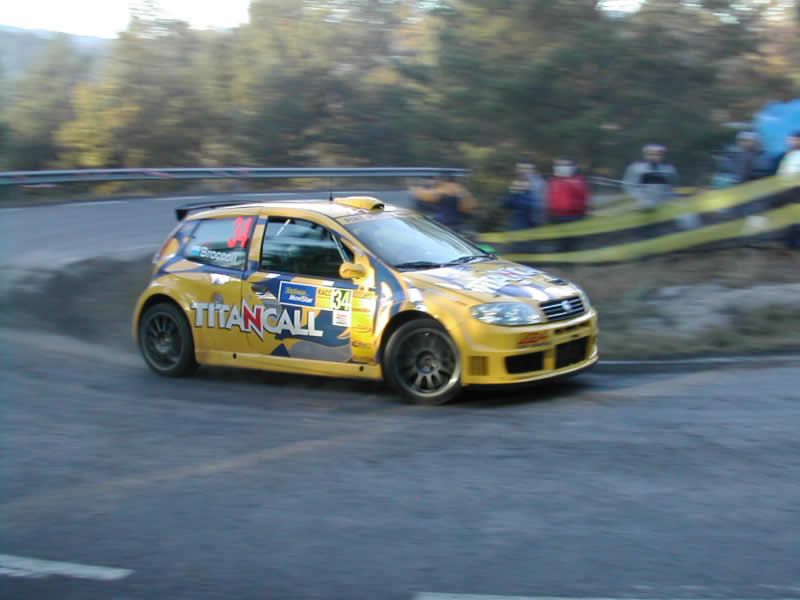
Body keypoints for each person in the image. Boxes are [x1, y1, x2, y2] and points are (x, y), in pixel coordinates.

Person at [409, 174, 477, 232]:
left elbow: (425, 196)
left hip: (445, 224)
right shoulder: (461, 190)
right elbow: (471, 207)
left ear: (445, 180)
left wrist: (415, 189)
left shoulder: (444, 189)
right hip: (459, 224)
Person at [623, 144, 679, 209]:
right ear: (645, 155)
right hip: (641, 205)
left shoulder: (669, 170)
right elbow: (628, 187)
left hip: (665, 204)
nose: (654, 157)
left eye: (657, 155)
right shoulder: (635, 169)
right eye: (651, 154)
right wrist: (640, 200)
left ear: (662, 156)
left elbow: (673, 185)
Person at [503, 163, 544, 230]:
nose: (523, 171)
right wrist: (513, 193)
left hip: (532, 224)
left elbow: (536, 205)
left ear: (531, 170)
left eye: (526, 169)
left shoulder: (538, 184)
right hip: (516, 224)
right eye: (520, 169)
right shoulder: (515, 184)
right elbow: (506, 204)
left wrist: (521, 194)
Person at [547, 158, 588, 224]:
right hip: (555, 217)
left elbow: (584, 199)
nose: (562, 167)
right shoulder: (553, 181)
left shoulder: (578, 180)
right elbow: (549, 198)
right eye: (559, 165)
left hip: (574, 216)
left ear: (573, 167)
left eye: (566, 165)